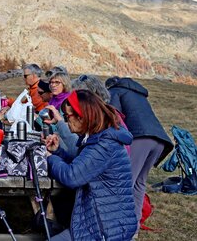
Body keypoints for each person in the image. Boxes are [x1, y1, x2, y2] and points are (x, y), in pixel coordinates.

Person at [45, 90, 137, 240]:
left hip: (107, 229)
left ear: (82, 116)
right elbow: (81, 165)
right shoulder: (97, 138)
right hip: (101, 220)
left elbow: (72, 176)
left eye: (68, 116)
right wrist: (57, 152)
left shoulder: (103, 145)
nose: (66, 121)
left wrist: (49, 158)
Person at [106, 76, 174, 232]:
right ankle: (134, 226)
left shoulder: (115, 91)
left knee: (126, 182)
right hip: (159, 141)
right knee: (140, 183)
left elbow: (113, 116)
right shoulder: (137, 93)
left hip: (140, 137)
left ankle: (119, 226)